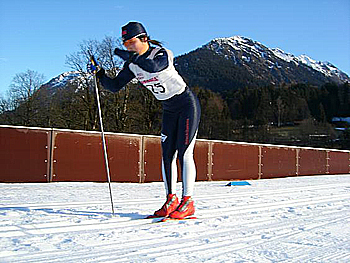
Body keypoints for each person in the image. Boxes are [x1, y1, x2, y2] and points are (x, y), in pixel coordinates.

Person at [92, 21, 201, 219]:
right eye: (125, 44)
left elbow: (153, 67)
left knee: (185, 153)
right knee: (167, 155)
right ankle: (171, 200)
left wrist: (131, 57)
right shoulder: (133, 64)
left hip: (186, 105)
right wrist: (100, 74)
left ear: (144, 39)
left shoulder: (161, 53)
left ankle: (188, 201)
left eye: (131, 42)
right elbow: (115, 86)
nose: (128, 47)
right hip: (168, 109)